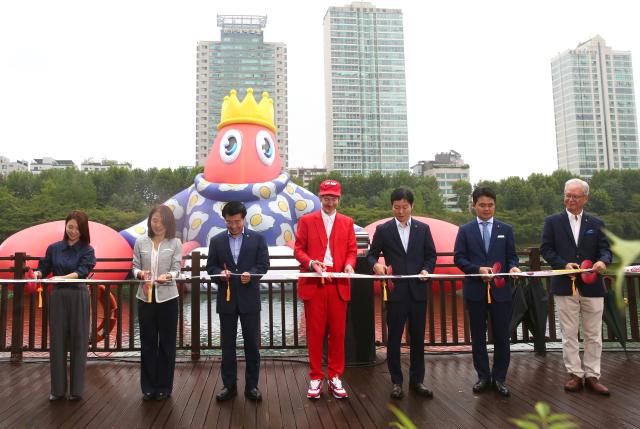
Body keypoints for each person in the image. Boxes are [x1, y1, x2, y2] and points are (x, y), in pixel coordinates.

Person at [540, 178, 612, 396]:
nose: (570, 199)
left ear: (585, 199)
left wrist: (603, 262)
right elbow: (546, 249)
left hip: (593, 286)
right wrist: (563, 264)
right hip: (564, 285)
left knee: (593, 333)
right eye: (567, 195)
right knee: (569, 333)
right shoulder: (552, 222)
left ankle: (592, 375)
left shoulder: (597, 223)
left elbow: (606, 250)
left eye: (575, 196)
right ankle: (575, 374)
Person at [366, 187, 437, 399]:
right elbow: (371, 255)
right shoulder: (384, 229)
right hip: (396, 294)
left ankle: (418, 381)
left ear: (412, 206)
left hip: (418, 292)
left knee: (417, 338)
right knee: (394, 339)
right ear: (392, 207)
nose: (401, 211)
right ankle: (396, 382)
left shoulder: (423, 229)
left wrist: (427, 269)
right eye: (396, 207)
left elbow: (431, 255)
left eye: (405, 207)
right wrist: (375, 266)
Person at [453, 187, 520, 397]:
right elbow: (459, 258)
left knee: (502, 336)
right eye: (482, 204)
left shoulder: (505, 229)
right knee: (478, 337)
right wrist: (476, 270)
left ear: (495, 205)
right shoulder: (465, 230)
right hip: (475, 291)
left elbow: (512, 257)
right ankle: (483, 376)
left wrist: (514, 268)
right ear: (474, 205)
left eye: (490, 204)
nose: (486, 208)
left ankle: (499, 378)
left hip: (501, 292)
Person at [294, 179, 357, 400]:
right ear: (320, 198)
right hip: (315, 281)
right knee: (315, 333)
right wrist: (311, 263)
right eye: (326, 197)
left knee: (338, 334)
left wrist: (349, 264)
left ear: (339, 199)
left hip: (338, 282)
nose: (329, 202)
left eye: (333, 198)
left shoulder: (347, 222)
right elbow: (298, 250)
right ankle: (315, 376)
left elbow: (351, 250)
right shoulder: (307, 221)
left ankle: (335, 376)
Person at [206, 201, 270, 402]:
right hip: (226, 301)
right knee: (227, 346)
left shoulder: (257, 239)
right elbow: (210, 268)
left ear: (244, 219)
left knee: (252, 344)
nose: (233, 226)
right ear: (224, 220)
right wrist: (220, 274)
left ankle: (252, 387)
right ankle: (229, 386)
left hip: (249, 299)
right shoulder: (216, 241)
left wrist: (251, 274)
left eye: (236, 221)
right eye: (229, 222)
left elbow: (263, 265)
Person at [34, 210, 96, 401]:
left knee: (79, 341)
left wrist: (60, 277)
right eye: (70, 227)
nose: (73, 231)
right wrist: (37, 273)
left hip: (78, 294)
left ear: (83, 229)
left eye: (77, 228)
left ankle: (76, 391)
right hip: (58, 295)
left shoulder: (87, 250)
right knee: (58, 342)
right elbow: (44, 268)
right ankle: (57, 390)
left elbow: (82, 271)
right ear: (65, 226)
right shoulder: (54, 248)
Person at [132, 205, 182, 401]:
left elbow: (177, 268)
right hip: (145, 298)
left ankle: (164, 387)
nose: (157, 223)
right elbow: (134, 266)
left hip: (168, 298)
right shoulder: (140, 242)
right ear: (150, 221)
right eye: (154, 220)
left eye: (161, 220)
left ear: (168, 223)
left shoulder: (175, 242)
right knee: (148, 343)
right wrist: (140, 274)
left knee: (167, 344)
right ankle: (148, 387)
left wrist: (168, 275)